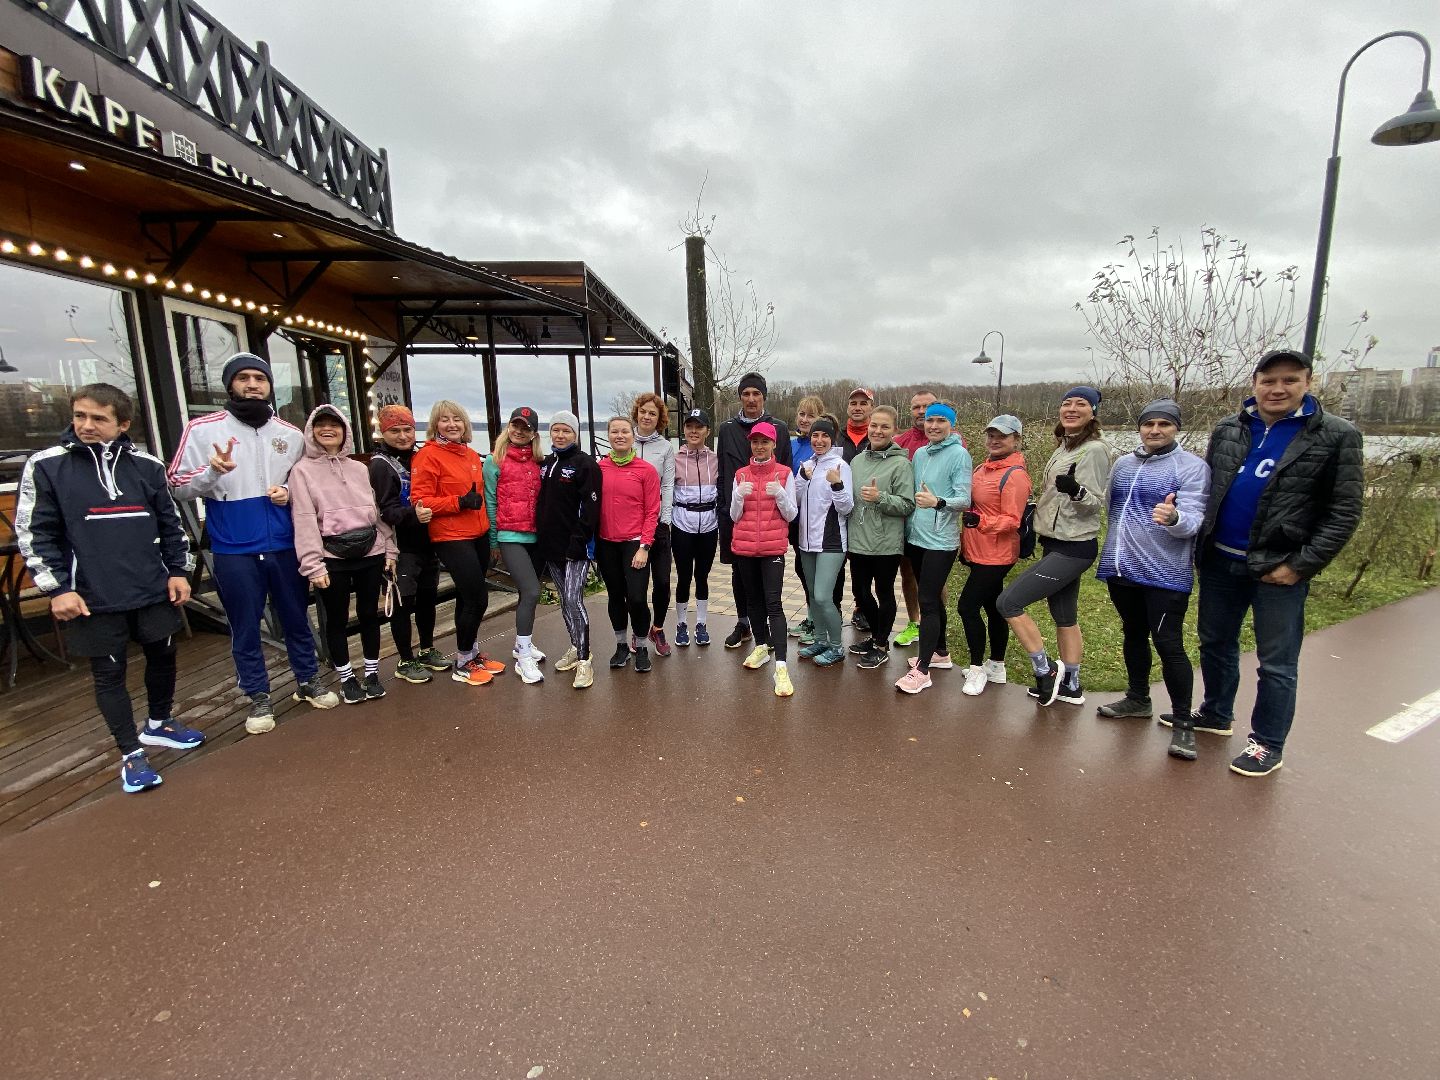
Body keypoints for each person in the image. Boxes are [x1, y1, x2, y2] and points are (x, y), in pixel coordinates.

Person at [17, 384, 203, 793]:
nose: (86, 425)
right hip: (91, 592)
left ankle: (159, 722)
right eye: (80, 416)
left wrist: (178, 570)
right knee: (110, 673)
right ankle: (130, 753)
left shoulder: (147, 465)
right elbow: (34, 534)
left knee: (163, 655)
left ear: (123, 424)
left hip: (150, 584)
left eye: (98, 418)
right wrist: (56, 589)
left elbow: (170, 523)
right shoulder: (47, 465)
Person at [1191, 349, 1363, 777]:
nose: (1277, 388)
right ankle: (1215, 713)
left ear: (1308, 382)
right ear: (1255, 383)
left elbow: (1344, 512)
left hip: (1278, 569)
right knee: (1215, 643)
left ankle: (1267, 743)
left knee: (1277, 662)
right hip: (1220, 560)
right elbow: (1212, 489)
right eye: (1269, 380)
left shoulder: (1335, 435)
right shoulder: (1230, 428)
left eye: (1289, 380)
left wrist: (1300, 565)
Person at [168, 352, 338, 730]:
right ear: (230, 384)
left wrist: (289, 495)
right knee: (245, 625)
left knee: (296, 617)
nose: (252, 384)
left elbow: (309, 485)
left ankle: (308, 680)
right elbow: (177, 485)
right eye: (243, 378)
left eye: (259, 378)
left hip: (283, 542)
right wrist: (212, 472)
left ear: (268, 385)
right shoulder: (203, 430)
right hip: (233, 546)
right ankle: (258, 696)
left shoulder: (291, 435)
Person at [1094, 400, 1210, 760]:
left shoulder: (1191, 467)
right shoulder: (1124, 464)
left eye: (1164, 424)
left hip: (1164, 574)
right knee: (1133, 634)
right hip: (1122, 568)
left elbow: (1194, 520)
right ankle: (1138, 698)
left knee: (1169, 644)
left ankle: (1183, 726)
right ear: (1140, 427)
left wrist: (1174, 517)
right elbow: (1107, 506)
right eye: (1149, 424)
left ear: (1175, 428)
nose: (1155, 430)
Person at [997, 387, 1111, 706]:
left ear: (1093, 412)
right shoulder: (1063, 446)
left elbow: (1095, 505)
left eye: (1081, 404)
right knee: (1065, 617)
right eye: (1067, 404)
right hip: (1054, 541)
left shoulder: (1095, 449)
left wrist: (1076, 492)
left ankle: (1045, 671)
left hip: (1073, 548)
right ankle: (1072, 685)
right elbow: (1053, 494)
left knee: (1008, 602)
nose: (1072, 409)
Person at [289, 404, 397, 704]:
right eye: (320, 424)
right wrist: (312, 564)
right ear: (311, 431)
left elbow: (375, 513)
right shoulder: (302, 471)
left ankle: (372, 672)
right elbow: (304, 518)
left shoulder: (359, 468)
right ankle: (347, 677)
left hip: (370, 550)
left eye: (334, 424)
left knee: (368, 615)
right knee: (335, 619)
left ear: (344, 431)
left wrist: (389, 547)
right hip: (331, 555)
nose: (328, 429)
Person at [411, 399, 505, 686]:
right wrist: (458, 502)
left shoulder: (469, 455)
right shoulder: (428, 456)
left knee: (467, 598)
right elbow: (420, 499)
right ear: (435, 425)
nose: (451, 425)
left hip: (476, 533)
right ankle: (463, 660)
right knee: (478, 598)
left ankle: (472, 651)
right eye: (444, 420)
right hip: (451, 536)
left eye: (457, 419)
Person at [895, 402, 972, 694]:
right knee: (933, 601)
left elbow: (965, 499)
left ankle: (923, 671)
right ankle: (940, 653)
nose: (934, 426)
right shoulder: (921, 453)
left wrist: (938, 502)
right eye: (930, 421)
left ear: (951, 424)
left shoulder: (959, 454)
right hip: (916, 537)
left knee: (927, 601)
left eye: (941, 421)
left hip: (941, 541)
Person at [368, 404, 447, 685]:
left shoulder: (420, 458)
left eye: (407, 429)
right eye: (395, 431)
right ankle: (405, 659)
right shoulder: (381, 465)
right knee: (403, 603)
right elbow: (385, 510)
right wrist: (413, 515)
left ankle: (426, 649)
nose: (402, 436)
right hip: (400, 547)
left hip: (427, 542)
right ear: (383, 432)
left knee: (428, 599)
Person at [716, 372, 792, 649]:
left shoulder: (779, 429)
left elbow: (785, 471)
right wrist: (725, 507)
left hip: (770, 518)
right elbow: (723, 474)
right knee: (740, 573)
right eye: (746, 394)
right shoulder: (726, 429)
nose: (751, 399)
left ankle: (768, 626)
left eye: (756, 394)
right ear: (740, 397)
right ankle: (744, 622)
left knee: (767, 579)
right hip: (736, 514)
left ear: (764, 397)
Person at [957, 415, 1029, 697]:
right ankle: (997, 665)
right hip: (978, 552)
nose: (995, 440)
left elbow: (1013, 520)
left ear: (1016, 440)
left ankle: (977, 669)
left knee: (966, 607)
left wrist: (981, 524)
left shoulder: (1015, 475)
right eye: (991, 435)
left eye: (1003, 436)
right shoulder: (981, 468)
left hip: (997, 554)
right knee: (993, 607)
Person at [729, 421, 800, 696]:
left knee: (774, 603)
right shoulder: (740, 474)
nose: (759, 446)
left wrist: (780, 494)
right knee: (753, 601)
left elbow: (792, 514)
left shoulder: (784, 473)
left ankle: (781, 666)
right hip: (745, 549)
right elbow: (734, 516)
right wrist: (737, 496)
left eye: (764, 442)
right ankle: (761, 647)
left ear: (773, 445)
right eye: (755, 442)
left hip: (772, 550)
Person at [536, 410, 602, 689]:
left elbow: (591, 508)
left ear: (576, 434)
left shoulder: (585, 465)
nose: (561, 435)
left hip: (576, 547)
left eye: (567, 431)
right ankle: (575, 646)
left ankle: (586, 660)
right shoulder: (547, 462)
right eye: (556, 430)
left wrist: (579, 542)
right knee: (564, 601)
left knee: (575, 601)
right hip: (551, 547)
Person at [846, 405, 915, 670]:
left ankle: (881, 644)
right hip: (859, 540)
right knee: (860, 594)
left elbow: (907, 504)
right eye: (874, 425)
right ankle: (875, 636)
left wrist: (881, 498)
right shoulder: (858, 461)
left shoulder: (901, 464)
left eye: (885, 426)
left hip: (886, 543)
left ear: (894, 431)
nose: (878, 430)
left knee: (883, 592)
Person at [484, 406, 547, 685]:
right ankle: (523, 656)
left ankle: (523, 642)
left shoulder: (538, 462)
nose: (519, 431)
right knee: (532, 591)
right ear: (508, 427)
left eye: (526, 427)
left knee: (526, 594)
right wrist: (494, 540)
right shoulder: (493, 461)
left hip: (536, 537)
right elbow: (490, 502)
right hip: (510, 536)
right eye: (515, 425)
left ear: (533, 433)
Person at [596, 416, 662, 672]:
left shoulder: (645, 470)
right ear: (609, 436)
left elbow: (652, 511)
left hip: (635, 544)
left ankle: (642, 646)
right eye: (614, 432)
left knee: (636, 598)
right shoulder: (599, 468)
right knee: (615, 597)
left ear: (633, 436)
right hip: (606, 543)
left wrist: (645, 546)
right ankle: (621, 645)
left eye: (625, 431)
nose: (619, 436)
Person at [794, 416, 854, 667]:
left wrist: (837, 484)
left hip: (831, 542)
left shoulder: (840, 466)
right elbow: (795, 500)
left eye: (824, 436)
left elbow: (847, 507)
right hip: (806, 542)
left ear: (832, 439)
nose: (819, 440)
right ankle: (820, 639)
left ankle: (837, 647)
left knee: (822, 596)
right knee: (811, 595)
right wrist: (802, 479)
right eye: (815, 436)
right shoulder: (806, 465)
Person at [892, 389, 937, 647]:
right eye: (917, 407)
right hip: (906, 520)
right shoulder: (901, 441)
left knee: (933, 579)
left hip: (935, 523)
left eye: (927, 407)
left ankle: (937, 626)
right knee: (908, 574)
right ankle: (914, 623)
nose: (921, 412)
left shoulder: (954, 441)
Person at [671, 407, 720, 647]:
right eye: (689, 426)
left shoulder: (715, 459)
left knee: (702, 576)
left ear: (707, 431)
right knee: (683, 577)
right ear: (684, 430)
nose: (693, 431)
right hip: (682, 524)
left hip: (709, 525)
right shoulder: (675, 459)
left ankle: (701, 623)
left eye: (698, 427)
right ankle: (681, 623)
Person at [632, 392, 676, 657]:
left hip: (658, 523)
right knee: (637, 587)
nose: (647, 417)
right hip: (631, 525)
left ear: (659, 419)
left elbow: (668, 485)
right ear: (636, 413)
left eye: (653, 413)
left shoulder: (665, 448)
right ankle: (638, 631)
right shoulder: (625, 442)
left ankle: (656, 628)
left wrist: (666, 520)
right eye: (643, 411)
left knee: (661, 583)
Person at [787, 395, 825, 641]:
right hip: (794, 517)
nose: (804, 419)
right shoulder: (790, 445)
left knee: (818, 573)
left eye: (810, 415)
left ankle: (821, 621)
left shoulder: (821, 446)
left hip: (817, 521)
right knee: (801, 568)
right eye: (801, 414)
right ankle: (812, 616)